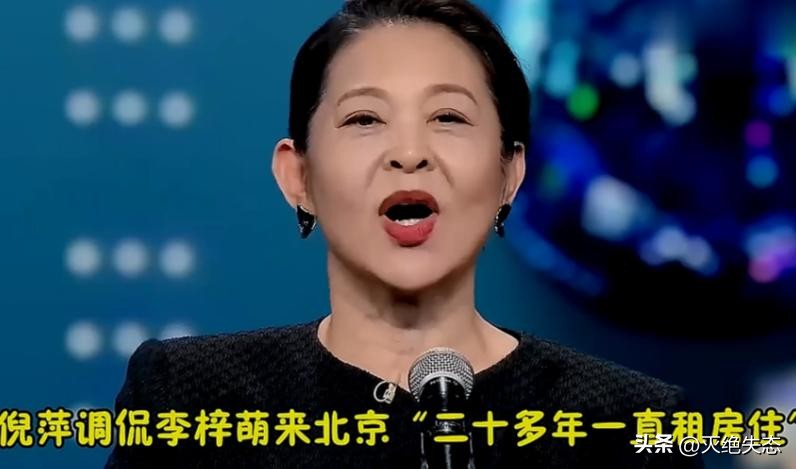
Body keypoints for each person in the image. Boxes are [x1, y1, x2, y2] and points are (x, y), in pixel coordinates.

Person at [105, 0, 703, 467]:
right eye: (365, 118)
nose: (410, 153)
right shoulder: (190, 398)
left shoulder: (633, 423)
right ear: (298, 176)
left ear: (509, 174)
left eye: (449, 117)